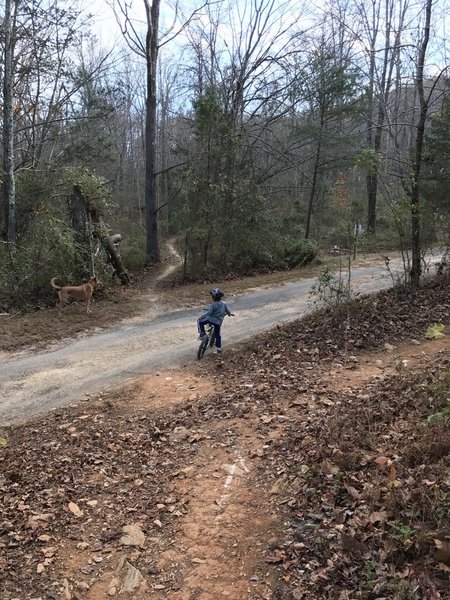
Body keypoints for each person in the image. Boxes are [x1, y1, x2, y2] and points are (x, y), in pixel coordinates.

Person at [197, 288, 234, 354]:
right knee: (218, 336)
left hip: (210, 320)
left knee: (200, 321)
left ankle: (202, 334)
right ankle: (219, 350)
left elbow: (209, 313)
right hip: (218, 323)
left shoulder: (213, 305)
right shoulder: (224, 304)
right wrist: (229, 314)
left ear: (213, 297)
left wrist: (201, 316)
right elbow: (228, 311)